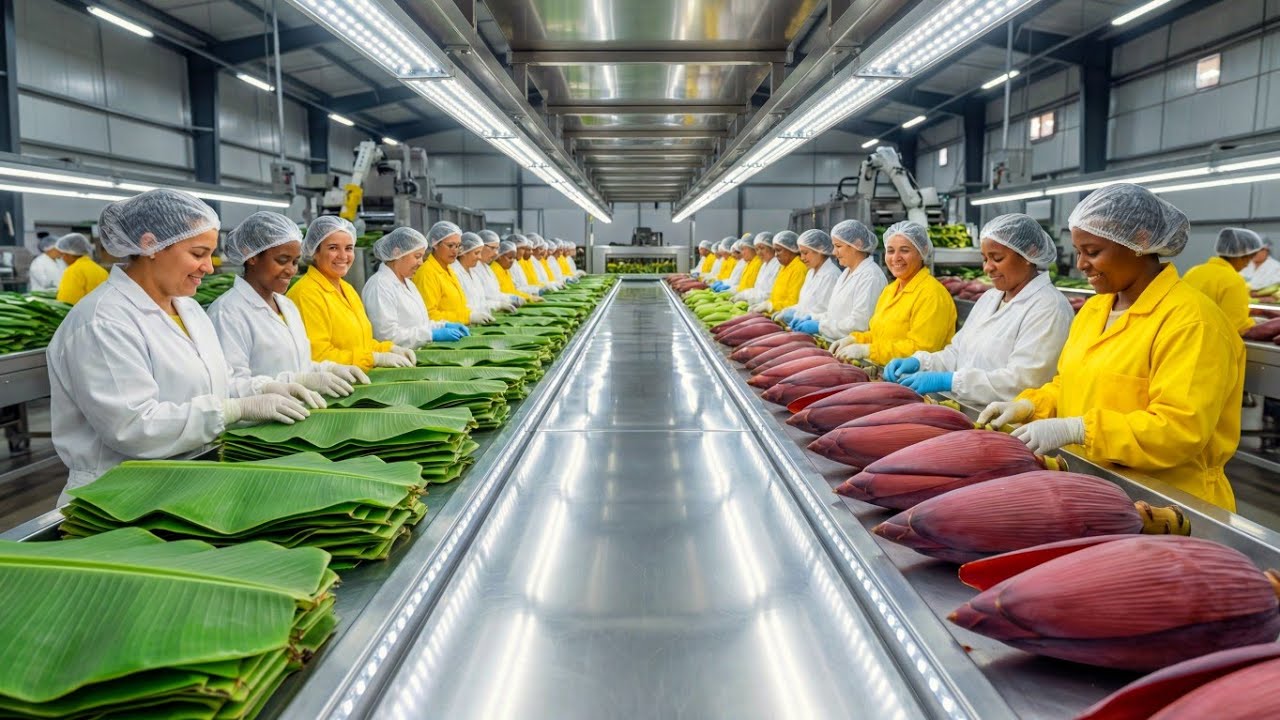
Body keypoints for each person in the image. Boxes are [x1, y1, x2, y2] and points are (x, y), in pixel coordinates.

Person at [978, 184, 1244, 511]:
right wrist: (1030, 406)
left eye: (1092, 251)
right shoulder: (1095, 310)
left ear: (1141, 242)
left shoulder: (1192, 322)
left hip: (1168, 505)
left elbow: (1179, 431)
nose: (1081, 264)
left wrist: (1080, 428)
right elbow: (1071, 383)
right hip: (1097, 485)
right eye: (1077, 251)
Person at [47, 190, 320, 502]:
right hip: (120, 497)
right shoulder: (102, 321)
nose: (209, 267)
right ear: (151, 245)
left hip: (185, 481)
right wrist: (231, 410)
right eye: (198, 254)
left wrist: (267, 388)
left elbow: (217, 382)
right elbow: (133, 427)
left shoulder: (187, 309)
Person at [882, 214, 1073, 404]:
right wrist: (921, 363)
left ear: (1028, 254)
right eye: (984, 259)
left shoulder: (1049, 308)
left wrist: (951, 381)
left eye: (997, 258)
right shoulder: (990, 298)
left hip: (1009, 424)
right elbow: (957, 352)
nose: (987, 268)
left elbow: (1023, 382)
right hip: (968, 410)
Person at [209, 211, 369, 396]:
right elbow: (230, 385)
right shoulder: (228, 312)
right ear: (251, 256)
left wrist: (328, 369)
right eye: (282, 260)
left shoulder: (287, 306)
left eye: (294, 262)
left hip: (296, 414)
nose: (291, 270)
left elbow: (301, 364)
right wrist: (286, 384)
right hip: (258, 421)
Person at [288, 216, 416, 370]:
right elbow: (318, 355)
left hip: (356, 380)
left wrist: (387, 349)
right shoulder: (306, 294)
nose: (343, 256)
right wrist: (373, 359)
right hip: (332, 388)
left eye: (348, 248)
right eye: (333, 248)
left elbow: (362, 342)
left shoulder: (347, 289)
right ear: (314, 252)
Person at [832, 221, 955, 364]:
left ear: (922, 251)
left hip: (913, 382)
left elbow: (922, 350)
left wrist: (868, 351)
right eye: (890, 251)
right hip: (887, 374)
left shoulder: (932, 294)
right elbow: (880, 334)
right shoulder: (890, 290)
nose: (895, 257)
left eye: (904, 250)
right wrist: (855, 339)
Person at [362, 227, 467, 348]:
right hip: (397, 359)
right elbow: (386, 336)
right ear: (397, 253)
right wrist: (431, 335)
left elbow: (420, 324)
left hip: (414, 354)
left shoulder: (408, 283)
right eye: (417, 256)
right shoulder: (380, 285)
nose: (421, 263)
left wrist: (443, 326)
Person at [792, 219, 887, 340]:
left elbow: (859, 324)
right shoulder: (847, 272)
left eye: (838, 246)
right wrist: (815, 318)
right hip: (836, 343)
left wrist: (820, 327)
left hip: (852, 348)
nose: (833, 252)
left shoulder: (870, 276)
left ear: (857, 244)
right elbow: (835, 313)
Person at [1183, 228, 1262, 335]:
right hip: (1212, 342)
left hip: (1186, 336)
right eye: (1249, 259)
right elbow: (1236, 325)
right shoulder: (1234, 280)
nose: (1247, 264)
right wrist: (1257, 322)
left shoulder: (1193, 271)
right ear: (1240, 256)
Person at [414, 221, 485, 324]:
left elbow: (457, 306)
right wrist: (466, 317)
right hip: (443, 336)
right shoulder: (427, 273)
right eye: (450, 245)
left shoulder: (448, 270)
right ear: (435, 244)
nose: (455, 251)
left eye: (457, 246)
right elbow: (429, 315)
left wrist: (469, 314)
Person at [777, 229, 841, 325]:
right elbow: (804, 305)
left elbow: (825, 312)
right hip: (803, 326)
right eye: (801, 253)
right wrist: (788, 311)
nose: (802, 258)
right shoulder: (811, 272)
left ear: (820, 249)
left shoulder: (831, 275)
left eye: (805, 253)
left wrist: (802, 318)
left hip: (819, 330)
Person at [750, 230, 808, 315]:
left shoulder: (799, 268)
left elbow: (793, 302)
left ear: (791, 249)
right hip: (774, 314)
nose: (776, 254)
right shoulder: (784, 267)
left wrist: (770, 306)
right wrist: (767, 304)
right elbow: (776, 295)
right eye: (775, 251)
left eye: (778, 250)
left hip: (784, 317)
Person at [455, 231, 511, 317]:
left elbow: (481, 301)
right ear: (463, 252)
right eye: (477, 253)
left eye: (497, 248)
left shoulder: (473, 272)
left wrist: (499, 305)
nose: (479, 257)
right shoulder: (455, 272)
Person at [55, 232, 108, 304]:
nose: (63, 259)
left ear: (69, 254)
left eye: (62, 255)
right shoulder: (101, 270)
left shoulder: (73, 271)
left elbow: (66, 303)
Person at [477, 230, 524, 307]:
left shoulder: (487, 268)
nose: (496, 253)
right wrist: (499, 305)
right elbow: (480, 299)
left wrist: (510, 298)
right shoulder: (476, 269)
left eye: (497, 249)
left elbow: (496, 294)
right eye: (492, 248)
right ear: (480, 246)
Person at [735, 232, 778, 305]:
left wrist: (748, 298)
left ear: (772, 248)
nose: (759, 252)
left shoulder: (777, 265)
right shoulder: (764, 265)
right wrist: (743, 295)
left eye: (762, 248)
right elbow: (757, 288)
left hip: (766, 305)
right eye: (757, 249)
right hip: (757, 303)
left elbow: (770, 293)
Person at [492, 238, 540, 302]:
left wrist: (527, 296)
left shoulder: (505, 270)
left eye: (514, 258)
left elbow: (512, 290)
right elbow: (498, 294)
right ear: (500, 256)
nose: (512, 261)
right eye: (510, 258)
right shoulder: (494, 269)